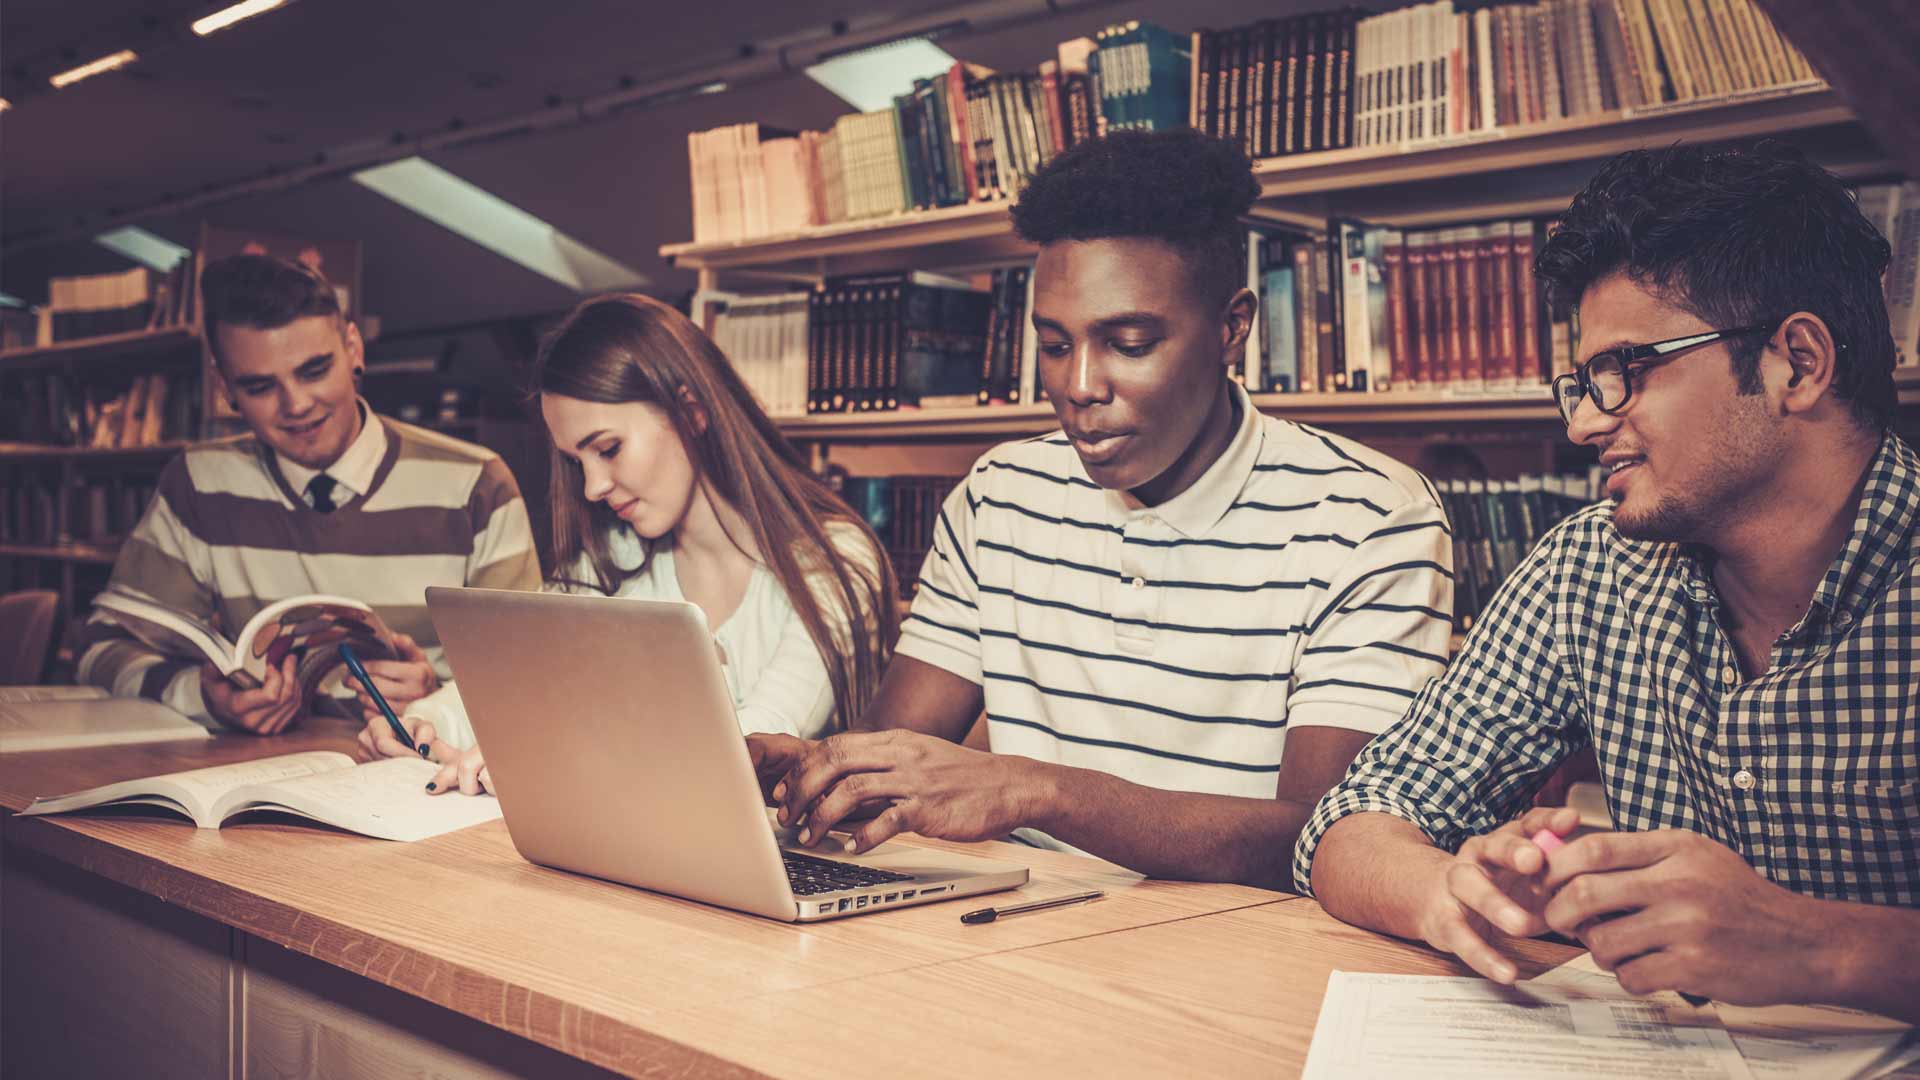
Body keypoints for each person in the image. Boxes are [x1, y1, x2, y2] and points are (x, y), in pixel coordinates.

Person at [1296, 142, 1919, 1021]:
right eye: (1583, 383)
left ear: (1797, 363)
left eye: (1625, 371)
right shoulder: (1591, 566)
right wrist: (1454, 889)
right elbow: (1351, 822)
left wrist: (1813, 942)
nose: (1588, 421)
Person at [750, 129, 1455, 889]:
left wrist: (1036, 789)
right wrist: (831, 777)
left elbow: (1327, 835)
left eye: (1129, 342)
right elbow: (902, 756)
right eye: (1054, 344)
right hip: (1014, 934)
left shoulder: (1372, 517)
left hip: (1240, 959)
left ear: (1232, 327)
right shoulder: (998, 497)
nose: (1080, 384)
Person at [360, 293, 898, 794]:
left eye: (609, 449)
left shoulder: (836, 561)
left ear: (690, 409)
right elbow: (522, 679)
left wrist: (551, 754)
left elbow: (760, 738)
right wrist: (425, 721)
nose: (592, 487)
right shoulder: (611, 561)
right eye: (578, 462)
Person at [79, 253, 542, 733]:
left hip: (418, 779)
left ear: (354, 349)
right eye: (259, 386)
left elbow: (532, 679)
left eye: (314, 370)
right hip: (260, 774)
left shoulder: (477, 483)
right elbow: (100, 650)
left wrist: (437, 701)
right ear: (224, 388)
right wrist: (202, 695)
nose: (296, 405)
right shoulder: (199, 482)